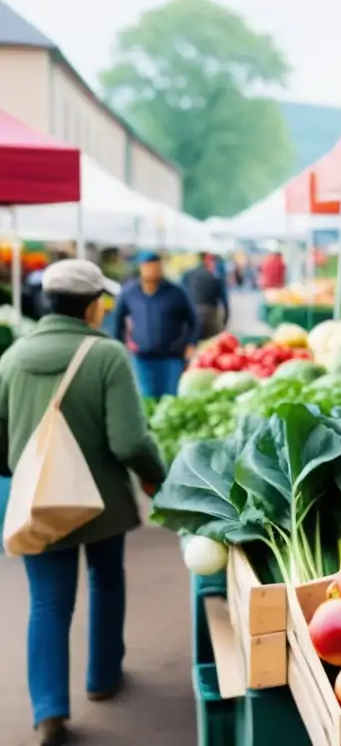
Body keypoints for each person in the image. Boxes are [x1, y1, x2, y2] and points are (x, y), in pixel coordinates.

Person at [0, 260, 165, 746]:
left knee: (48, 603)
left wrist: (22, 475)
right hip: (103, 502)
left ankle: (49, 710)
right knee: (106, 580)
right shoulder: (107, 355)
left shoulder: (11, 359)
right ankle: (103, 677)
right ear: (93, 306)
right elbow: (130, 441)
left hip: (38, 504)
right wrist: (155, 479)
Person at [110, 251, 198, 398]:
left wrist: (191, 344)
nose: (153, 270)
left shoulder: (177, 292)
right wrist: (120, 348)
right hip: (142, 357)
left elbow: (193, 321)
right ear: (142, 267)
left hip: (172, 356)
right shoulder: (130, 292)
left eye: (157, 267)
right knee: (147, 398)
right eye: (149, 266)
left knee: (170, 397)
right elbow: (118, 323)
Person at [183, 252, 230, 340]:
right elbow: (225, 304)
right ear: (209, 261)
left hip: (192, 319)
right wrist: (224, 323)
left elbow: (181, 298)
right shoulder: (215, 277)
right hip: (211, 320)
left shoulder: (187, 276)